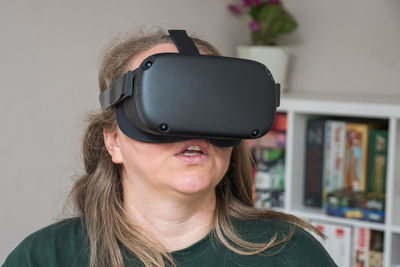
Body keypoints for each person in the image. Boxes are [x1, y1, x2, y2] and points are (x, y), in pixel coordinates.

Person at [3, 29, 337, 267]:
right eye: (170, 101)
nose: (196, 129)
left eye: (214, 106)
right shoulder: (45, 257)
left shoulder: (291, 253)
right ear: (113, 141)